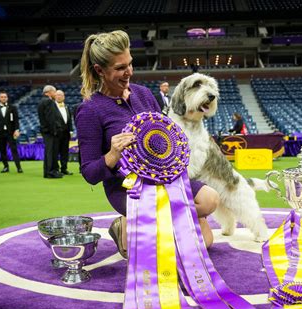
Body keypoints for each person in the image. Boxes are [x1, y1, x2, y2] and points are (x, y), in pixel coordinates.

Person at [76, 30, 219, 258]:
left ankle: (134, 227)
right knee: (192, 247)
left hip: (165, 178)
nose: (129, 72)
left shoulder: (144, 94)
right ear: (99, 70)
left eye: (130, 64)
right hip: (127, 188)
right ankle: (129, 223)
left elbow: (164, 140)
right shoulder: (89, 110)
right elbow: (90, 173)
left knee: (210, 200)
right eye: (120, 68)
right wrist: (113, 154)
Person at [0, 91, 23, 173]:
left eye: (5, 97)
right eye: (1, 97)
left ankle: (18, 167)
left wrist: (17, 130)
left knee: (14, 149)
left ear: (7, 98)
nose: (3, 98)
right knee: (2, 150)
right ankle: (6, 167)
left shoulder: (13, 108)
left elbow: (16, 120)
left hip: (11, 132)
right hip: (0, 133)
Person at [37, 85, 62, 179]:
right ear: (49, 92)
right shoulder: (48, 101)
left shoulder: (41, 102)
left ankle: (48, 172)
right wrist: (54, 131)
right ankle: (51, 172)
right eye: (54, 92)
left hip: (45, 131)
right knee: (51, 152)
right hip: (50, 131)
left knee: (48, 152)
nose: (56, 94)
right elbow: (50, 118)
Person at [52, 90, 73, 175]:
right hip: (57, 133)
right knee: (56, 151)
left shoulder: (67, 106)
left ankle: (64, 168)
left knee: (65, 152)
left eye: (61, 95)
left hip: (66, 133)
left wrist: (71, 130)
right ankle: (56, 169)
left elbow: (69, 120)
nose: (59, 97)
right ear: (55, 96)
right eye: (57, 95)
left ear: (64, 96)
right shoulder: (52, 107)